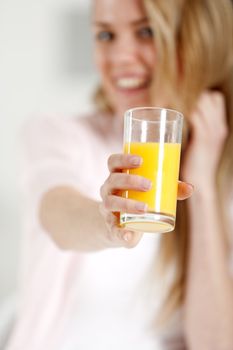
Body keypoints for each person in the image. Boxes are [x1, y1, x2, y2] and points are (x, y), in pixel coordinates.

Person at [6, 0, 233, 349]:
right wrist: (105, 220)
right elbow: (57, 214)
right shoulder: (58, 134)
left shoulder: (220, 166)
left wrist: (202, 186)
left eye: (146, 31)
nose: (120, 57)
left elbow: (215, 344)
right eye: (106, 35)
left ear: (198, 40)